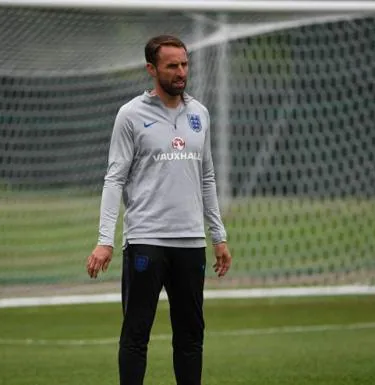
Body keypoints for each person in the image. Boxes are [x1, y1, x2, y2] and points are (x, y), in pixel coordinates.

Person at [86, 35, 232, 385]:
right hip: (146, 241)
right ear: (152, 69)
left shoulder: (200, 114)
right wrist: (105, 240)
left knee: (191, 335)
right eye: (172, 65)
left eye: (184, 64)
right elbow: (114, 179)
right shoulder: (131, 115)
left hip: (190, 242)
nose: (181, 72)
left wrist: (219, 236)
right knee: (136, 335)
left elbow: (207, 177)